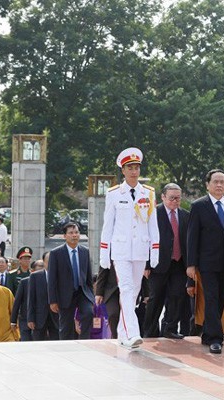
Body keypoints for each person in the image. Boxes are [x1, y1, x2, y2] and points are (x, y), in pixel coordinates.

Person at [99, 147, 159, 349]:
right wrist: (104, 253)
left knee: (134, 292)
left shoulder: (148, 193)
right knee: (125, 289)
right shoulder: (114, 193)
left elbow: (152, 223)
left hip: (140, 249)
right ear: (123, 171)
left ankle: (122, 333)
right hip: (121, 250)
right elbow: (108, 224)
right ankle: (133, 332)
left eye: (136, 167)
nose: (134, 171)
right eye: (130, 168)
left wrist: (155, 249)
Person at [186, 168, 224, 354]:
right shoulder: (198, 206)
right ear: (207, 185)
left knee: (220, 299)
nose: (219, 185)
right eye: (216, 182)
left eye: (222, 182)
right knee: (210, 298)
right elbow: (192, 237)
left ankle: (208, 333)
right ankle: (215, 339)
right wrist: (191, 264)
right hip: (207, 263)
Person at [143, 183, 189, 339]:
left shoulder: (185, 215)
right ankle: (149, 332)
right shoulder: (154, 214)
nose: (175, 201)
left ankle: (169, 328)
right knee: (155, 299)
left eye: (178, 198)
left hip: (179, 263)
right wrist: (147, 264)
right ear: (162, 197)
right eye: (171, 198)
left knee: (177, 296)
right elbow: (146, 240)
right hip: (158, 263)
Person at [48, 223, 94, 340]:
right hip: (65, 294)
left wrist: (91, 295)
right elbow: (52, 279)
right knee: (66, 326)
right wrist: (53, 300)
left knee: (89, 313)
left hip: (82, 292)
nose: (74, 235)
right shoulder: (56, 253)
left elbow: (88, 275)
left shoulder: (85, 251)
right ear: (65, 236)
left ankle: (84, 341)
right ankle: (65, 349)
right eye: (71, 233)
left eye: (77, 232)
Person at [28, 255, 59, 341]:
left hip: (56, 316)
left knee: (57, 343)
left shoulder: (61, 275)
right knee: (38, 343)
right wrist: (30, 318)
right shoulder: (35, 276)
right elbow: (31, 299)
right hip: (39, 317)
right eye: (48, 261)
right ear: (44, 262)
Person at [95, 263, 120, 339]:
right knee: (113, 314)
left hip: (128, 290)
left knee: (125, 316)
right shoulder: (108, 252)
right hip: (111, 291)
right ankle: (116, 338)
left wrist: (146, 293)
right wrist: (99, 293)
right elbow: (102, 272)